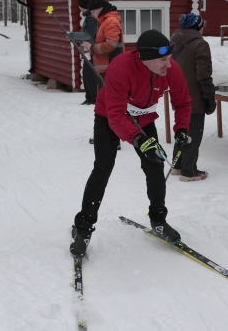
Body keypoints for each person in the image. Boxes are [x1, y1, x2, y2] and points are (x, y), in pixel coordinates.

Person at [70, 29, 192, 256]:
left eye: (169, 58)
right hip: (109, 118)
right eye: (163, 59)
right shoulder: (121, 67)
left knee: (154, 166)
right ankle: (83, 228)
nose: (169, 64)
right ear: (145, 59)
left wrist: (182, 129)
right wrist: (138, 140)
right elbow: (116, 116)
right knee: (103, 167)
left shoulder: (170, 70)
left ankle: (158, 220)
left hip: (143, 119)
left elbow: (183, 103)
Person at [170, 13, 216, 182]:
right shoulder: (200, 44)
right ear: (197, 27)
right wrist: (210, 98)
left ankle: (177, 165)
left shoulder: (174, 42)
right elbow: (203, 75)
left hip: (178, 95)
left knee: (183, 129)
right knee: (193, 134)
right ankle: (189, 171)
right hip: (194, 98)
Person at [81, 0, 122, 80]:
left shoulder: (110, 21)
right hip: (105, 69)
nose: (92, 15)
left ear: (100, 8)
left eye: (93, 11)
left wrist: (92, 47)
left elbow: (111, 45)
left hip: (110, 69)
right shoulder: (104, 22)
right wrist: (91, 50)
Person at [78, 0, 99, 105]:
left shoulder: (90, 18)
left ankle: (93, 99)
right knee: (86, 74)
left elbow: (89, 34)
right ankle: (89, 97)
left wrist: (74, 35)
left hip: (90, 50)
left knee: (89, 75)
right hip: (86, 50)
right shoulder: (88, 17)